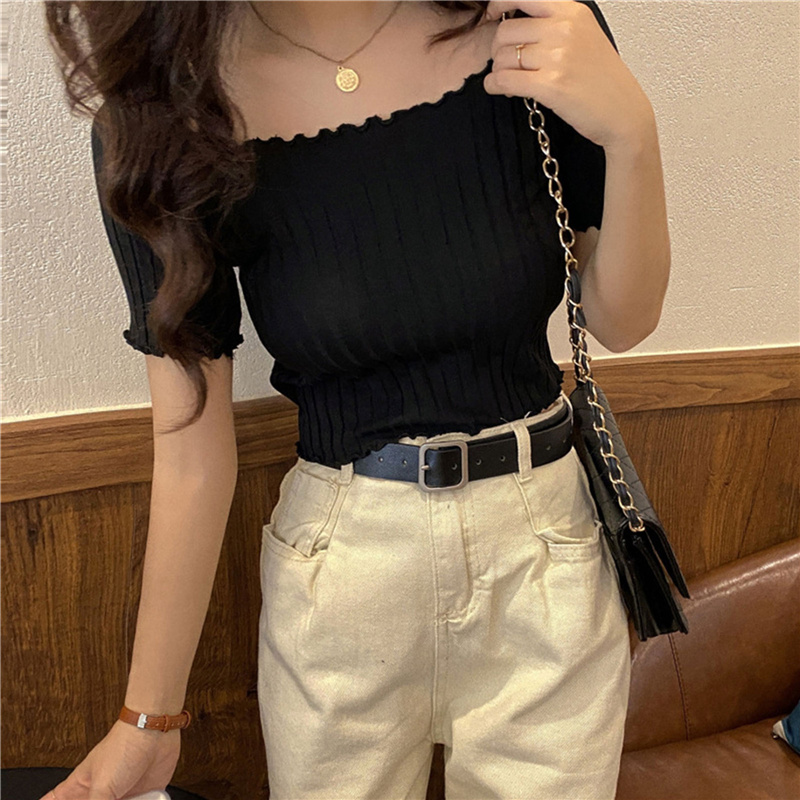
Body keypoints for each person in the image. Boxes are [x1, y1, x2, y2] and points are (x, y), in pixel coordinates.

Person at [43, 1, 671, 798]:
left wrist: (632, 134)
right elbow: (192, 452)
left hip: (545, 553)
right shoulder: (164, 115)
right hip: (343, 574)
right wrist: (148, 720)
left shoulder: (531, 23)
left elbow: (621, 320)